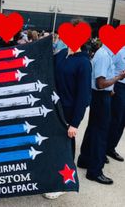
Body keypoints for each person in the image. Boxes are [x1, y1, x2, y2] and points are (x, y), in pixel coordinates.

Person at [43, 19, 92, 199]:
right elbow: (43, 64)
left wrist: (75, 123)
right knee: (53, 145)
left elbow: (84, 96)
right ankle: (52, 177)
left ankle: (64, 183)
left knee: (65, 147)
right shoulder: (62, 54)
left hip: (70, 112)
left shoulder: (84, 63)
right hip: (55, 108)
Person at [77, 45, 125, 185]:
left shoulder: (106, 53)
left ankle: (84, 159)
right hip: (100, 96)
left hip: (102, 95)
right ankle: (95, 171)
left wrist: (110, 87)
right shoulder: (104, 55)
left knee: (93, 129)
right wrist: (118, 77)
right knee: (101, 134)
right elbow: (100, 83)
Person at [106, 47, 125, 162]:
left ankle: (111, 147)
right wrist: (111, 87)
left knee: (122, 121)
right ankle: (103, 149)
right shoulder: (119, 50)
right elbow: (111, 68)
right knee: (115, 118)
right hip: (119, 86)